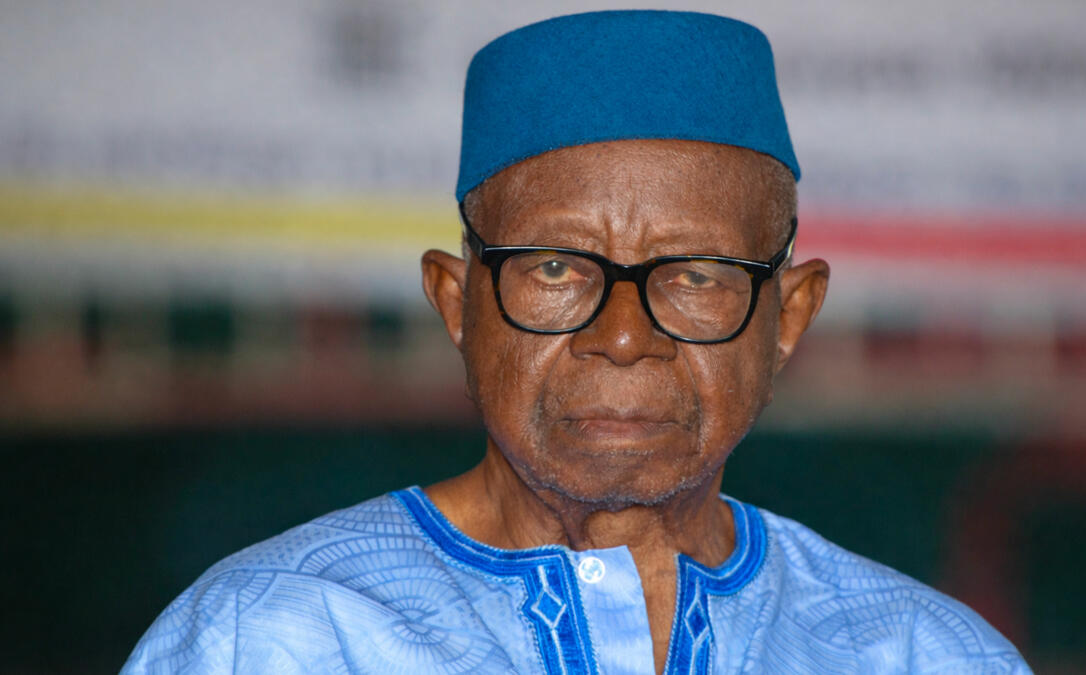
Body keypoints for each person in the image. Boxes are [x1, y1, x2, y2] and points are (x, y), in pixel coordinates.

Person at [122, 11, 1031, 674]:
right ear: (457, 303)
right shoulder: (276, 637)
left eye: (696, 275)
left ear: (787, 317)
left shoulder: (921, 655)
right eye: (556, 268)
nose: (623, 336)